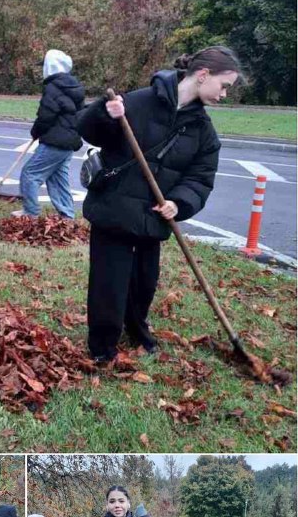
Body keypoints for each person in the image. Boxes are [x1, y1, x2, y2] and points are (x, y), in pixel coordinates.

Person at [76, 46, 241, 362]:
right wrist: (104, 112)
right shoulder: (138, 102)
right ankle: (102, 347)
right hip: (115, 210)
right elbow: (87, 129)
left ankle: (137, 330)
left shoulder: (204, 132)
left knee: (144, 283)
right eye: (223, 86)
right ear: (203, 75)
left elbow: (200, 177)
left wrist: (179, 203)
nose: (223, 95)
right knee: (109, 284)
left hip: (152, 221)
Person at [13, 49, 84, 219]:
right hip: (69, 142)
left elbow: (46, 115)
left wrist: (35, 131)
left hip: (55, 141)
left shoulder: (53, 87)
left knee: (30, 174)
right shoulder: (74, 87)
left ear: (50, 66)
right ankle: (67, 217)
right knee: (58, 180)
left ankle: (30, 212)